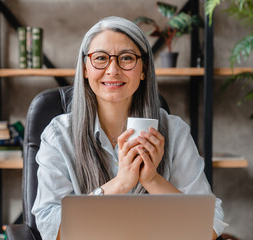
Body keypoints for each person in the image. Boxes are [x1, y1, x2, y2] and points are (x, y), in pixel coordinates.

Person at [31, 16, 227, 240]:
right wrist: (121, 183)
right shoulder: (58, 135)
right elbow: (50, 228)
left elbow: (209, 227)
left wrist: (152, 180)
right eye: (100, 58)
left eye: (126, 58)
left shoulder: (175, 131)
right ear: (85, 69)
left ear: (143, 69)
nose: (113, 70)